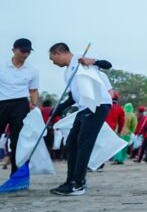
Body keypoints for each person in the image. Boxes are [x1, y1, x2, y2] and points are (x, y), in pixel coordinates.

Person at [48, 43, 114, 196]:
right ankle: (71, 180)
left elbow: (108, 64)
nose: (53, 62)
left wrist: (93, 62)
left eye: (52, 59)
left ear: (59, 53)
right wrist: (58, 109)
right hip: (84, 106)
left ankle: (78, 184)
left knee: (83, 143)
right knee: (71, 142)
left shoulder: (80, 59)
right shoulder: (67, 73)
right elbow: (73, 97)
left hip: (98, 104)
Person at [0, 38, 40, 176]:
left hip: (21, 105)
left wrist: (34, 105)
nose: (25, 54)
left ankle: (16, 174)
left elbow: (33, 90)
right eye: (23, 51)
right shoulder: (1, 65)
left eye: (28, 51)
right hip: (2, 103)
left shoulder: (33, 70)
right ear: (14, 50)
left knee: (18, 141)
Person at [105, 93, 126, 164]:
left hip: (102, 127)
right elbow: (121, 122)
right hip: (112, 129)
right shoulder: (120, 109)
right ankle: (100, 165)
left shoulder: (105, 105)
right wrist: (119, 131)